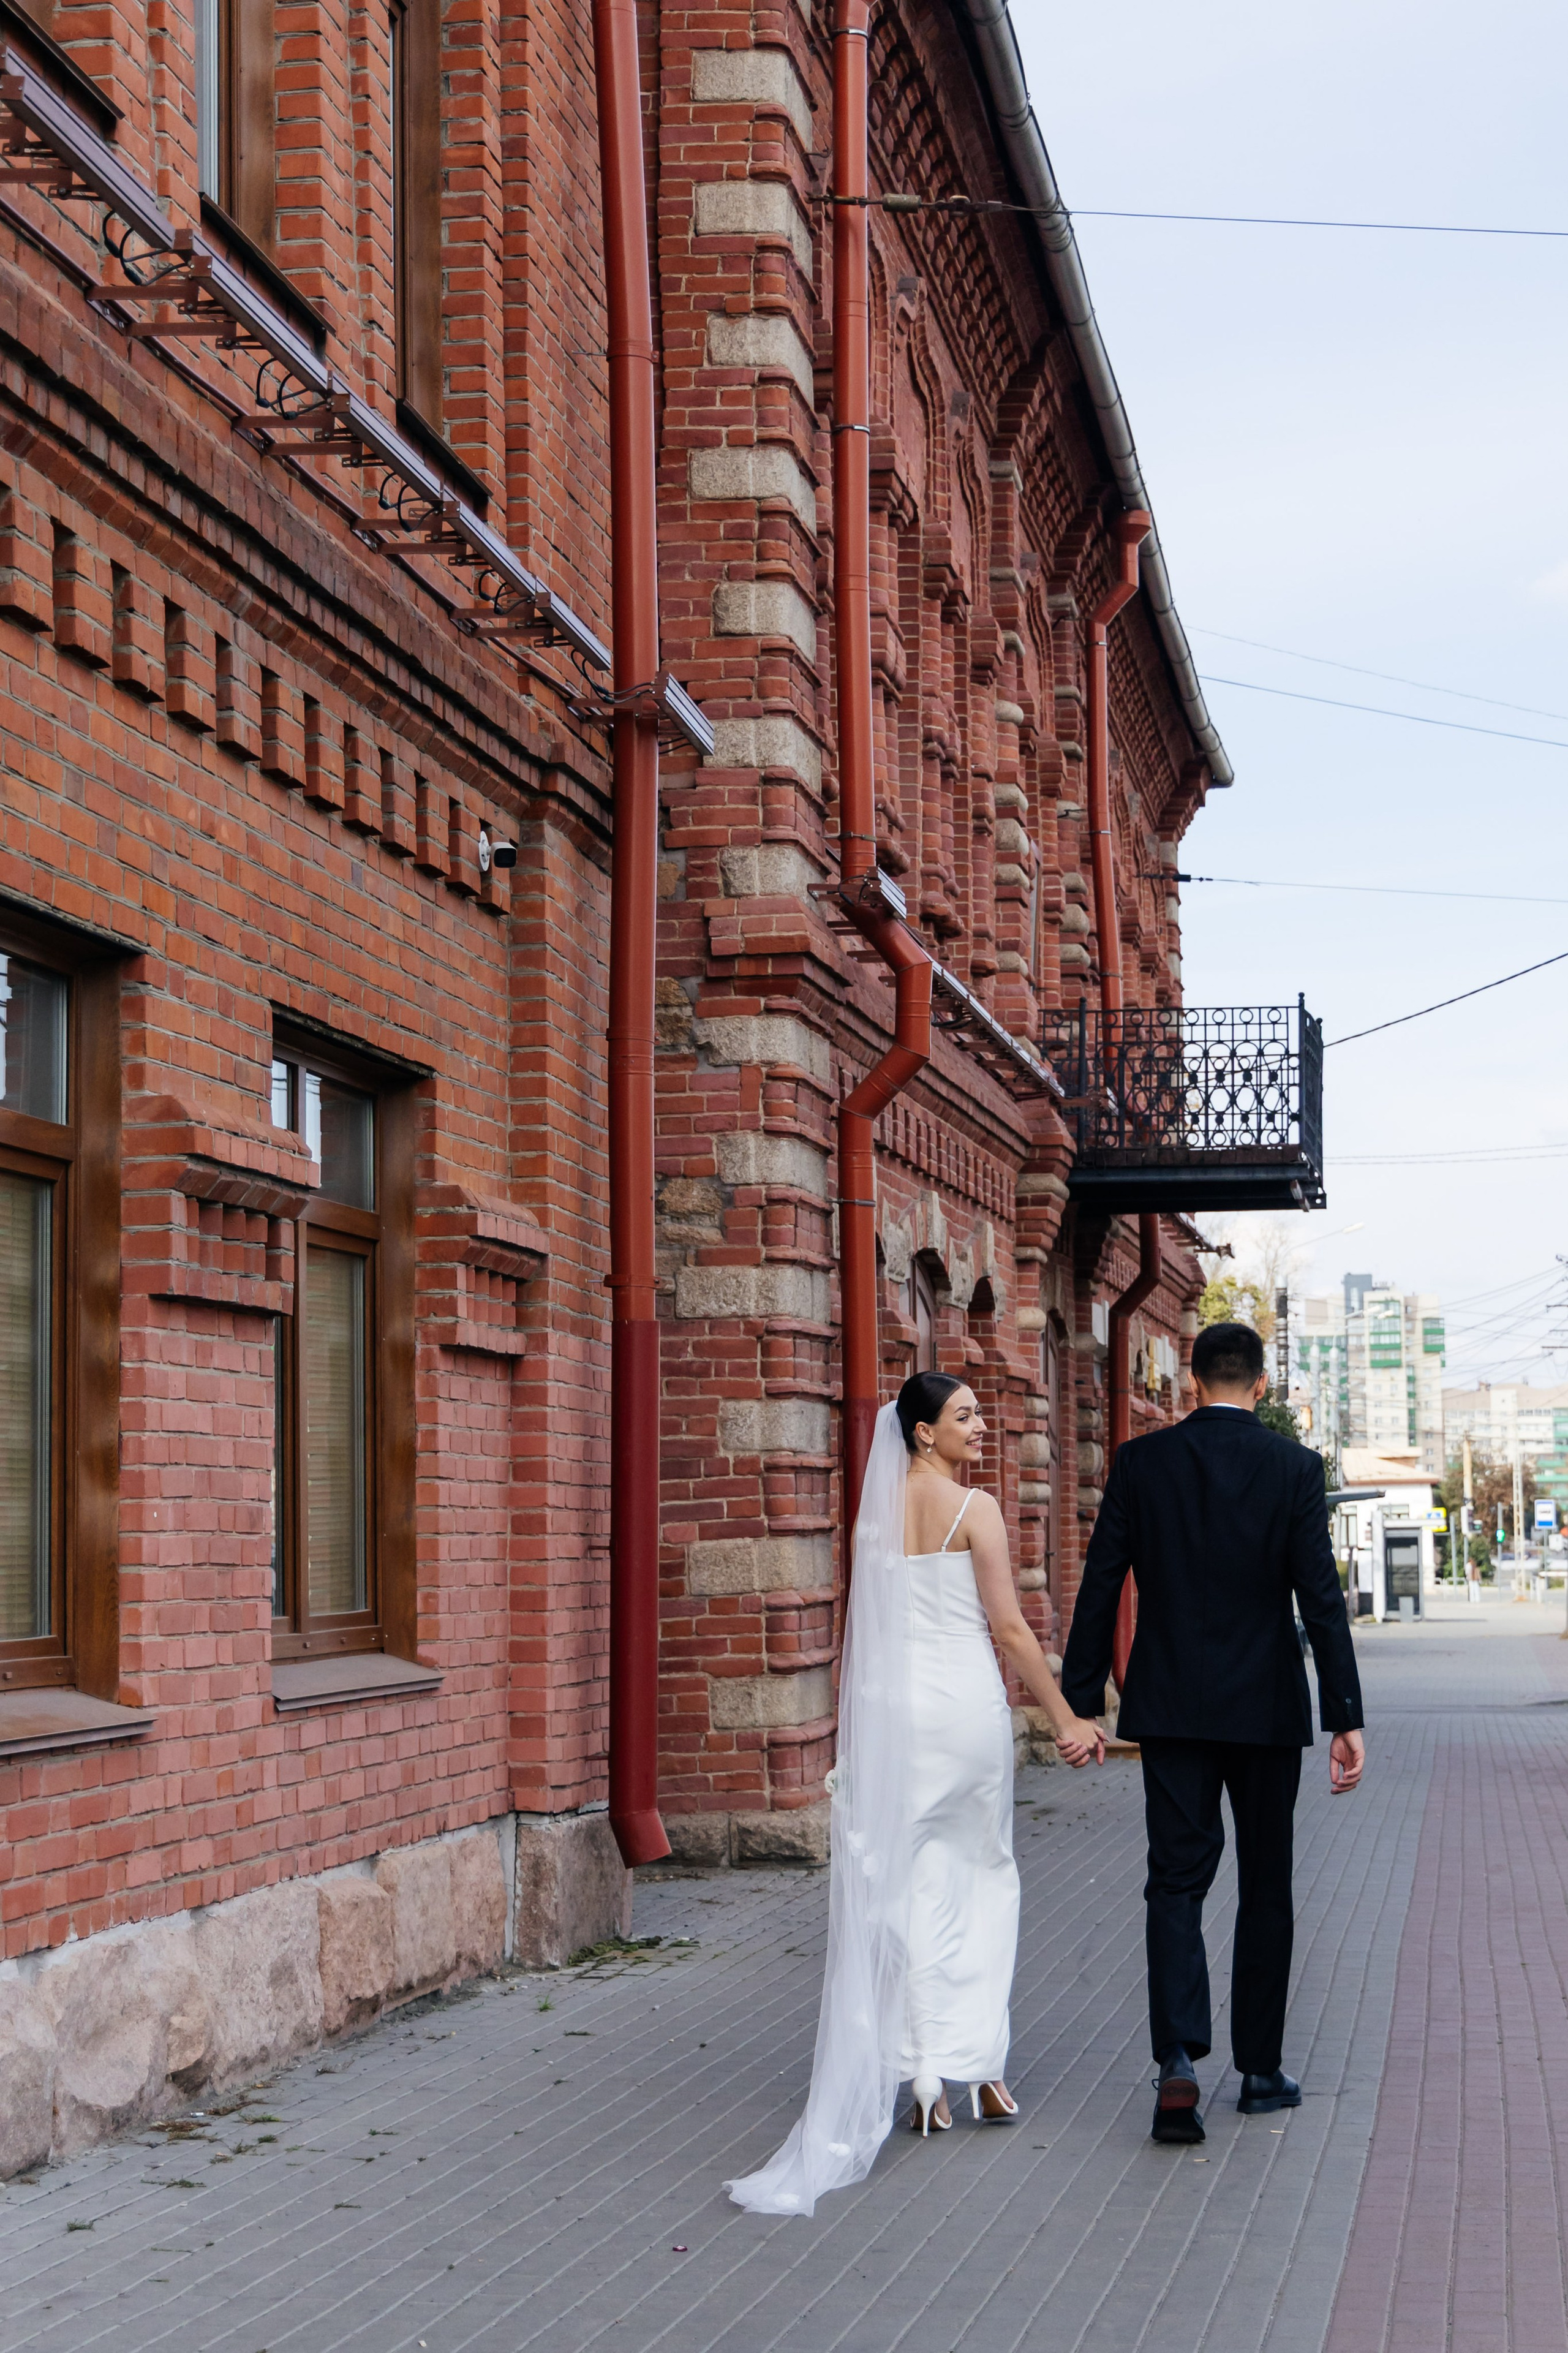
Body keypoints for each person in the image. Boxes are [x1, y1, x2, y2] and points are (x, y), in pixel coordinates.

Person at [728, 1372, 1106, 2215]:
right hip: (965, 1712)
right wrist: (1068, 1716)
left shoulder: (873, 1515)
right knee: (980, 1877)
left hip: (893, 1714)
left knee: (902, 1885)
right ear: (924, 1431)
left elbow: (865, 1626)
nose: (981, 1426)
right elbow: (1009, 1627)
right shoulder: (978, 1511)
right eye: (965, 1415)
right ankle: (984, 2070)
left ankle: (924, 2072)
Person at [1061, 1320, 1365, 2147]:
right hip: (1266, 1709)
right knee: (1267, 1882)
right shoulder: (1294, 1469)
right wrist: (1346, 1715)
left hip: (1171, 1708)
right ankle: (1261, 2071)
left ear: (1192, 1382)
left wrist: (1080, 1700)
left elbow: (1100, 1582)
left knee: (1176, 1881)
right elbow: (1321, 1599)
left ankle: (1177, 2063)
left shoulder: (1142, 1463)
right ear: (1260, 1386)